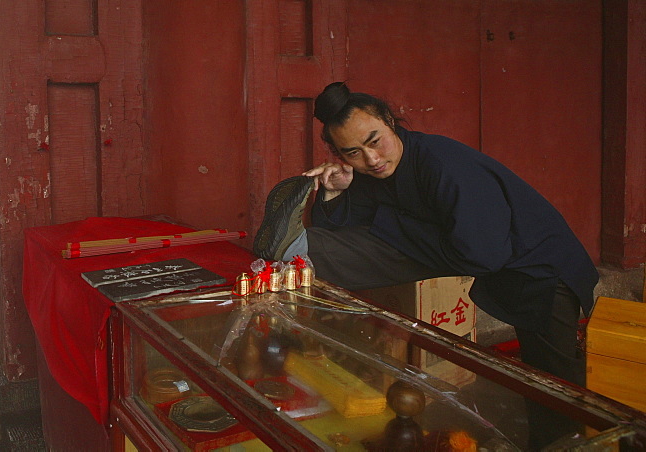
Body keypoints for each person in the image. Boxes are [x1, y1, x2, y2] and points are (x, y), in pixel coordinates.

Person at [254, 81, 599, 449]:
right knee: (537, 380)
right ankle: (304, 249)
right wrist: (338, 193)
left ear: (390, 121)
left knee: (554, 387)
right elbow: (355, 235)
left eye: (375, 141)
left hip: (543, 271)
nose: (371, 159)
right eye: (352, 152)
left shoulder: (443, 165)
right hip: (503, 267)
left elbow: (485, 253)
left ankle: (573, 445)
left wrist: (392, 231)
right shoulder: (375, 172)